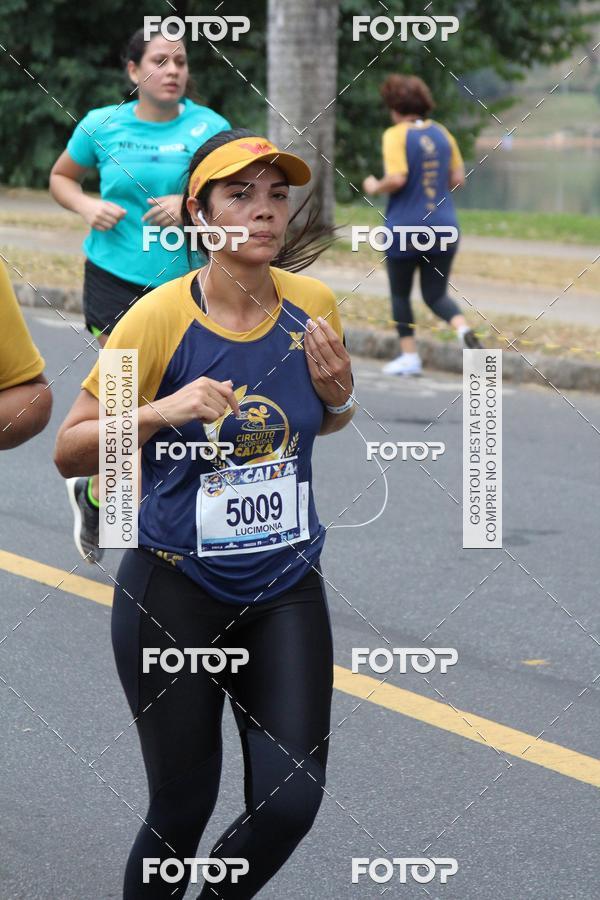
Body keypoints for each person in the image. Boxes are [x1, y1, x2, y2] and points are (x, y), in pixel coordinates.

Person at [53, 129, 355, 898]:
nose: (263, 212)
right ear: (199, 214)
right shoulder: (156, 321)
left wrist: (342, 393)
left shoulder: (313, 308)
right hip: (174, 594)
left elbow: (322, 418)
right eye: (239, 195)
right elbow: (73, 450)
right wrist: (164, 410)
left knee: (291, 802)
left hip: (284, 588)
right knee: (181, 808)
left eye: (276, 196)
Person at [49, 26, 230, 561]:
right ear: (134, 72)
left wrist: (189, 199)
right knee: (130, 398)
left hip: (185, 284)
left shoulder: (208, 127)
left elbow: (230, 191)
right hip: (115, 276)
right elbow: (62, 177)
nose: (173, 70)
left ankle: (103, 494)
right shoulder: (101, 124)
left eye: (180, 61)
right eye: (160, 61)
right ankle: (110, 500)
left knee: (173, 395)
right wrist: (86, 207)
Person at [363, 74, 481, 376]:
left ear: (394, 106)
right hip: (444, 227)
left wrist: (374, 186)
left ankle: (409, 357)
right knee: (435, 295)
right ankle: (462, 330)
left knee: (400, 295)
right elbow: (458, 180)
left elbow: (398, 178)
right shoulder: (443, 133)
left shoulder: (395, 135)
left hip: (405, 228)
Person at [0, 260, 52, 450]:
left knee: (124, 380)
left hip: (140, 283)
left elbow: (33, 394)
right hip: (112, 275)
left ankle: (110, 476)